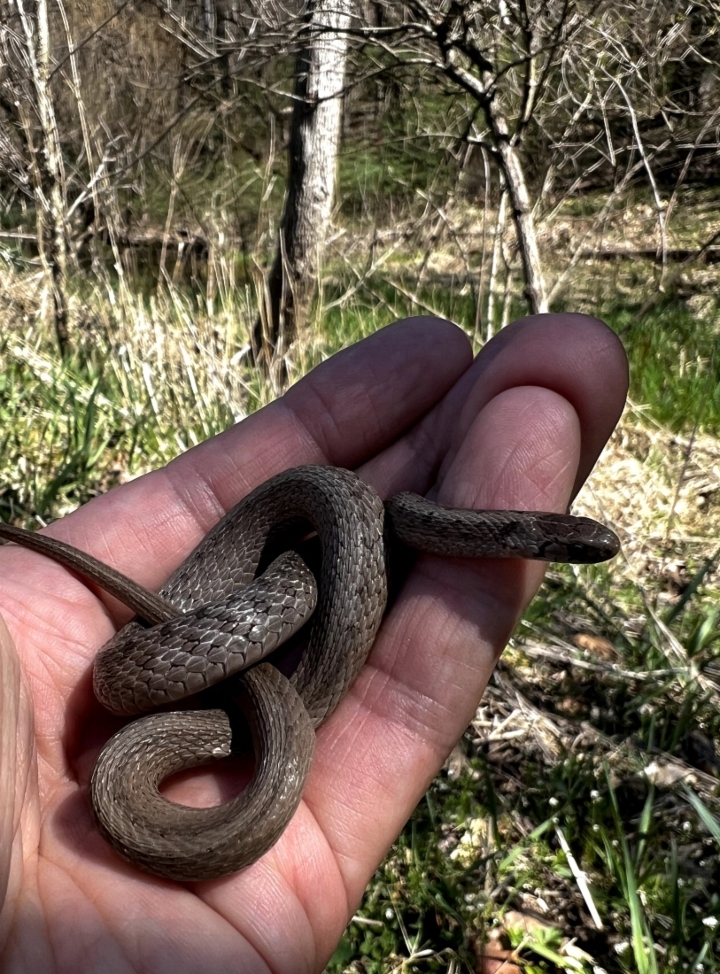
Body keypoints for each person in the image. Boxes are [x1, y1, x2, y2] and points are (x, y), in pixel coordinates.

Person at [0, 313, 628, 972]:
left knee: (316, 577)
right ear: (538, 538)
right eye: (573, 550)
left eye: (575, 550)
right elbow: (130, 672)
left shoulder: (410, 523)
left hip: (286, 633)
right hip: (225, 644)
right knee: (305, 578)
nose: (579, 556)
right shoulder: (369, 521)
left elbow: (403, 521)